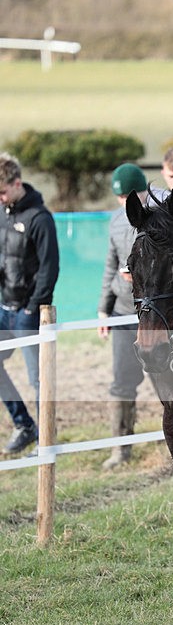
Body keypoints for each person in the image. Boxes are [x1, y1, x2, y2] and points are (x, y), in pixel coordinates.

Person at [0, 152, 59, 455]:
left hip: (30, 312)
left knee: (39, 379)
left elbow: (50, 268)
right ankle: (25, 426)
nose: (0, 198)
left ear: (17, 183)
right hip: (4, 309)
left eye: (3, 191)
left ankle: (46, 439)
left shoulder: (40, 218)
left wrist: (31, 307)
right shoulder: (3, 212)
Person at [97, 163, 153, 469]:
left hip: (156, 312)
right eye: (119, 198)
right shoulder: (117, 222)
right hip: (123, 311)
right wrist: (103, 309)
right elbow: (110, 264)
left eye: (129, 196)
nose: (124, 204)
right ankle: (120, 448)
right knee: (121, 382)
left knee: (167, 379)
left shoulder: (162, 213)